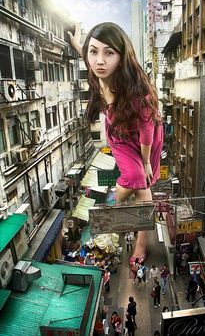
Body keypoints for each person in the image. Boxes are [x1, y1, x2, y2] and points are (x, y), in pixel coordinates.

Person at [68, 22, 163, 265]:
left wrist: (145, 162)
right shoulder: (96, 66)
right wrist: (79, 44)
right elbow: (89, 53)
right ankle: (137, 240)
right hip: (119, 133)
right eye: (93, 51)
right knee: (138, 182)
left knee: (139, 179)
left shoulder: (140, 93)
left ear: (121, 57)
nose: (99, 61)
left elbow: (147, 133)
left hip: (146, 136)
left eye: (109, 53)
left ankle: (119, 211)